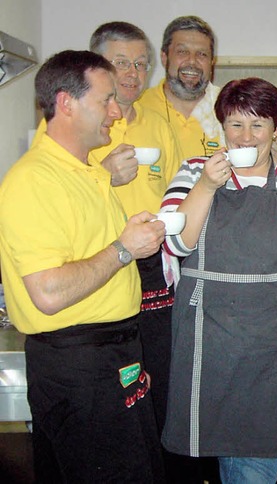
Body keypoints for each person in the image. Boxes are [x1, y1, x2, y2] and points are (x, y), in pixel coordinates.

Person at [160, 77, 277, 483]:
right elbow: (175, 242)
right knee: (243, 461)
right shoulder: (194, 171)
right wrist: (208, 185)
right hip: (216, 344)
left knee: (266, 458)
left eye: (258, 125)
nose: (245, 137)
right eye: (235, 125)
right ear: (221, 127)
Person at [0, 50, 166, 482]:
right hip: (79, 365)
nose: (117, 111)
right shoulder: (33, 179)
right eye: (106, 100)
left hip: (112, 354)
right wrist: (124, 249)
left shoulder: (84, 171)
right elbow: (49, 293)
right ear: (66, 103)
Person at [33, 21, 182, 440]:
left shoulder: (158, 123)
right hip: (96, 270)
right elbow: (56, 189)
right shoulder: (70, 127)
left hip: (152, 268)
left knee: (159, 383)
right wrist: (103, 173)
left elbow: (172, 191)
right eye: (121, 63)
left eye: (141, 63)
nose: (133, 73)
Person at [138, 15, 223, 159]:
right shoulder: (138, 106)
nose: (192, 61)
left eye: (202, 54)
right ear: (164, 58)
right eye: (182, 52)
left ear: (212, 62)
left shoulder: (231, 106)